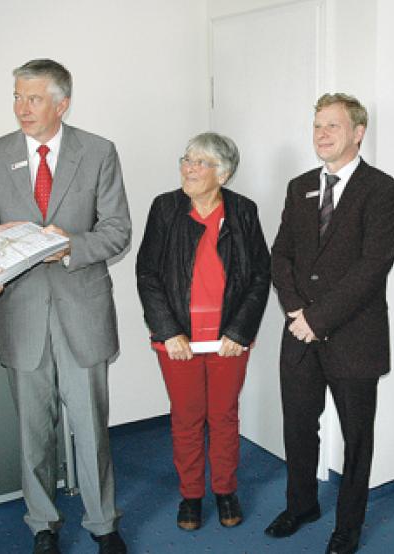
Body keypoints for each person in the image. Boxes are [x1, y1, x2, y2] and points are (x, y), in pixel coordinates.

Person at [0, 59, 131, 554]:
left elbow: (118, 231)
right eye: (17, 97)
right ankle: (42, 523)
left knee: (91, 430)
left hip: (81, 310)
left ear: (62, 103)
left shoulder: (98, 152)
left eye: (33, 99)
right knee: (33, 433)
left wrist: (70, 246)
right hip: (22, 314)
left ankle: (104, 525)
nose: (22, 108)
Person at [267, 93, 394, 554]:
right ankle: (301, 504)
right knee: (299, 428)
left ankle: (347, 526)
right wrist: (296, 314)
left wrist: (317, 319)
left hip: (353, 339)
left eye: (333, 126)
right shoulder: (299, 186)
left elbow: (372, 268)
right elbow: (281, 255)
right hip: (299, 336)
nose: (322, 135)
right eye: (317, 126)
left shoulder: (384, 190)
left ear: (358, 132)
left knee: (357, 440)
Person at [136, 132, 270, 532]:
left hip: (229, 340)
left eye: (200, 163)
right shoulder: (164, 208)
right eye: (186, 160)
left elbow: (261, 275)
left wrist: (239, 330)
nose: (189, 168)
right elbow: (147, 273)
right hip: (179, 341)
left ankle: (226, 489)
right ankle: (191, 495)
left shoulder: (244, 211)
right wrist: (168, 330)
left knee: (224, 416)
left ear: (223, 173)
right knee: (187, 418)